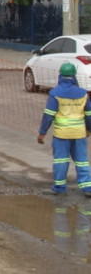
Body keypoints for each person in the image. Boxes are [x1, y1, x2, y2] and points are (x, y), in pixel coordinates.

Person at [37, 62, 91, 198]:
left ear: (60, 76)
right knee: (82, 161)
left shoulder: (55, 93)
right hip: (79, 133)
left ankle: (59, 188)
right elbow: (89, 115)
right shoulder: (83, 94)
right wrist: (89, 130)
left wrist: (42, 133)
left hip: (62, 134)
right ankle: (87, 188)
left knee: (61, 160)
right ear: (74, 76)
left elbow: (48, 115)